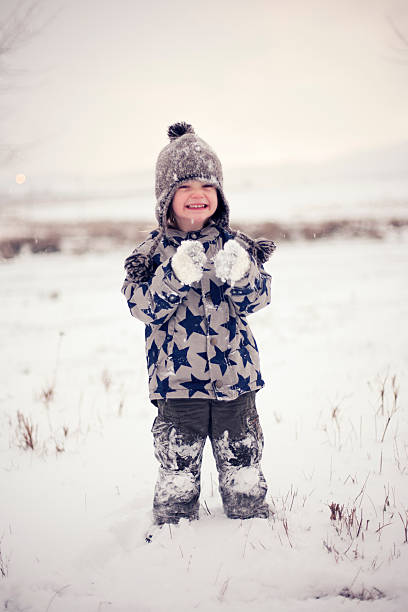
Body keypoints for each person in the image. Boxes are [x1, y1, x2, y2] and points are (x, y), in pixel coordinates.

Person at [121, 122, 275, 527]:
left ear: (219, 197)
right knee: (178, 463)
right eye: (185, 187)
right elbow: (141, 306)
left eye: (207, 187)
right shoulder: (150, 253)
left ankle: (250, 520)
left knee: (243, 457)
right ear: (166, 197)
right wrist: (171, 275)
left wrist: (242, 272)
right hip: (176, 382)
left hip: (235, 379)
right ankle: (174, 526)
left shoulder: (236, 247)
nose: (197, 196)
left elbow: (258, 299)